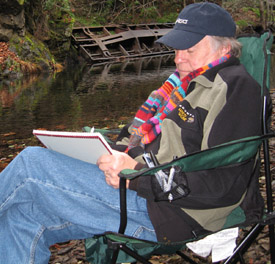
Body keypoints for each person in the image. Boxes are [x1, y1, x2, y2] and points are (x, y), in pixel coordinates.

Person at [0, 2, 268, 263]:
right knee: (21, 218)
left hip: (172, 211)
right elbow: (141, 139)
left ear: (222, 47)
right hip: (142, 185)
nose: (178, 57)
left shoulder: (235, 89)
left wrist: (135, 178)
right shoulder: (182, 86)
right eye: (177, 48)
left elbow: (220, 184)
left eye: (189, 48)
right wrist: (102, 152)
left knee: (30, 164)